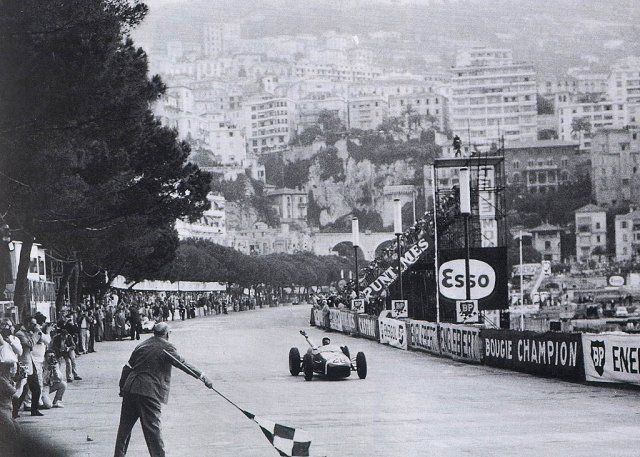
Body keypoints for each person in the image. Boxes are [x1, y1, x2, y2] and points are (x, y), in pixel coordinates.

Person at [113, 323, 213, 457]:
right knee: (153, 431)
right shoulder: (167, 347)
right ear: (167, 334)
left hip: (130, 389)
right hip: (148, 392)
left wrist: (122, 387)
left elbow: (127, 367)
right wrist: (202, 376)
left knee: (124, 430)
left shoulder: (142, 345)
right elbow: (183, 364)